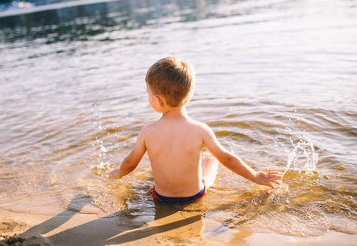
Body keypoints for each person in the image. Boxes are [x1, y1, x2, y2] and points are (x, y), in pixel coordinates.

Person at [107, 56, 282, 202]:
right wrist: (255, 176)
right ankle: (207, 162)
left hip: (161, 197)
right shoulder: (200, 130)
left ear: (158, 100)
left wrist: (117, 173)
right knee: (212, 161)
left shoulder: (148, 131)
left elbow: (130, 162)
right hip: (194, 195)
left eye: (148, 93)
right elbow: (228, 159)